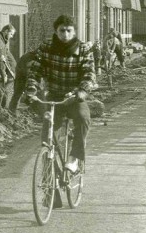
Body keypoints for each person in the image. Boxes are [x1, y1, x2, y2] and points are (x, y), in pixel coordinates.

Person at [25, 15, 96, 174]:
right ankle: (50, 179)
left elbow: (89, 74)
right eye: (62, 30)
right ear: (56, 31)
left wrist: (82, 92)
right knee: (47, 137)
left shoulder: (84, 49)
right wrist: (31, 89)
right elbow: (35, 71)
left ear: (74, 32)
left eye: (69, 30)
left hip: (74, 96)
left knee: (83, 118)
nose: (65, 34)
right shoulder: (46, 47)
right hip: (54, 97)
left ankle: (74, 158)